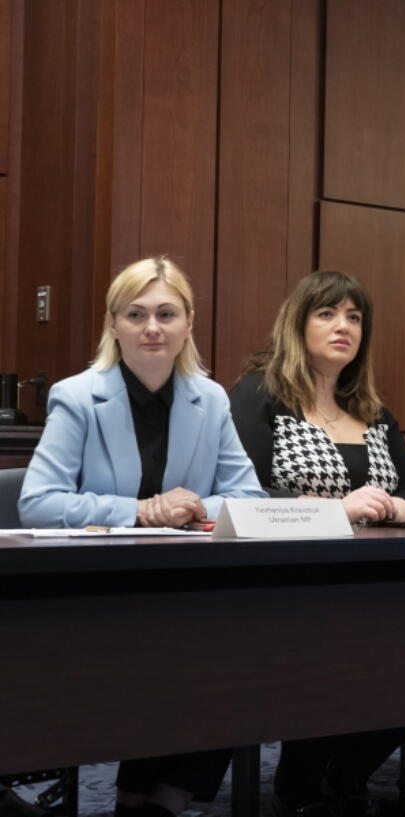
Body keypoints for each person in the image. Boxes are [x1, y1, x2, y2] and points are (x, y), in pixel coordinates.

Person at [19, 257, 265, 817]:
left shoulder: (212, 399)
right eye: (136, 314)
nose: (152, 327)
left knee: (243, 645)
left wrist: (196, 505)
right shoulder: (78, 397)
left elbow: (250, 497)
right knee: (176, 649)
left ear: (188, 323)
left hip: (185, 582)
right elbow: (39, 501)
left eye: (166, 313)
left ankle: (165, 798)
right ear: (113, 325)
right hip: (98, 583)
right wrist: (141, 510)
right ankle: (141, 793)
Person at [228, 270, 405, 817]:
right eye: (328, 314)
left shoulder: (372, 411)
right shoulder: (260, 395)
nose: (344, 326)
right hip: (291, 578)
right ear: (298, 323)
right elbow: (245, 492)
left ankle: (348, 770)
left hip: (378, 580)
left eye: (354, 317)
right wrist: (335, 510)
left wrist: (395, 507)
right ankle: (303, 780)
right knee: (337, 650)